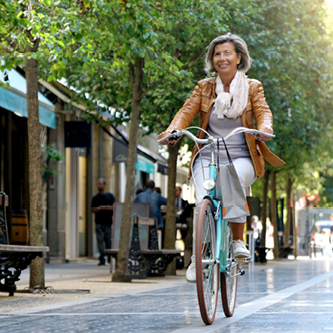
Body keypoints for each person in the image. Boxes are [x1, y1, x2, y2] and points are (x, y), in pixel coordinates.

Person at [158, 32, 284, 282]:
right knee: (204, 198)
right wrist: (173, 131)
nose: (222, 58)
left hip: (242, 157)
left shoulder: (252, 87)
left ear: (239, 57)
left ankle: (238, 241)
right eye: (217, 54)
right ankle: (198, 257)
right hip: (208, 154)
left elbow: (263, 111)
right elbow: (186, 111)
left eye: (227, 53)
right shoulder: (204, 87)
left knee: (232, 178)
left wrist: (265, 128)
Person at [91, 178, 116, 266]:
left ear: (104, 185)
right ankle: (102, 258)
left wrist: (101, 208)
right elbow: (92, 209)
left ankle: (109, 256)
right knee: (99, 240)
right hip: (99, 222)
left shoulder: (110, 196)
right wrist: (106, 207)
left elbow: (113, 207)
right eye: (98, 184)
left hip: (108, 222)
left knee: (108, 240)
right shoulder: (95, 198)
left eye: (100, 184)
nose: (99, 186)